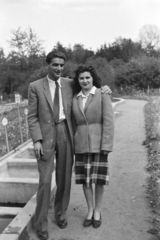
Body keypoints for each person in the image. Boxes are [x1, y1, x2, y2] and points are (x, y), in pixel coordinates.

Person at [28, 51, 111, 240]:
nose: (58, 68)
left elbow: (89, 88)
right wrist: (37, 140)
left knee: (64, 179)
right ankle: (41, 224)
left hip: (66, 133)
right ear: (47, 64)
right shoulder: (35, 87)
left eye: (61, 65)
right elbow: (32, 116)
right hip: (46, 136)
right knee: (45, 181)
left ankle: (61, 214)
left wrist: (104, 88)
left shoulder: (68, 83)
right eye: (55, 64)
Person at [72, 65, 114, 229]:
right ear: (78, 81)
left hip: (99, 144)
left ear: (93, 78)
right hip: (81, 144)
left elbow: (109, 121)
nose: (84, 81)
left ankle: (97, 211)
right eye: (81, 78)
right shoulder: (75, 98)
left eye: (87, 77)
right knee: (86, 181)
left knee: (98, 180)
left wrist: (107, 144)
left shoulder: (102, 94)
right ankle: (89, 210)